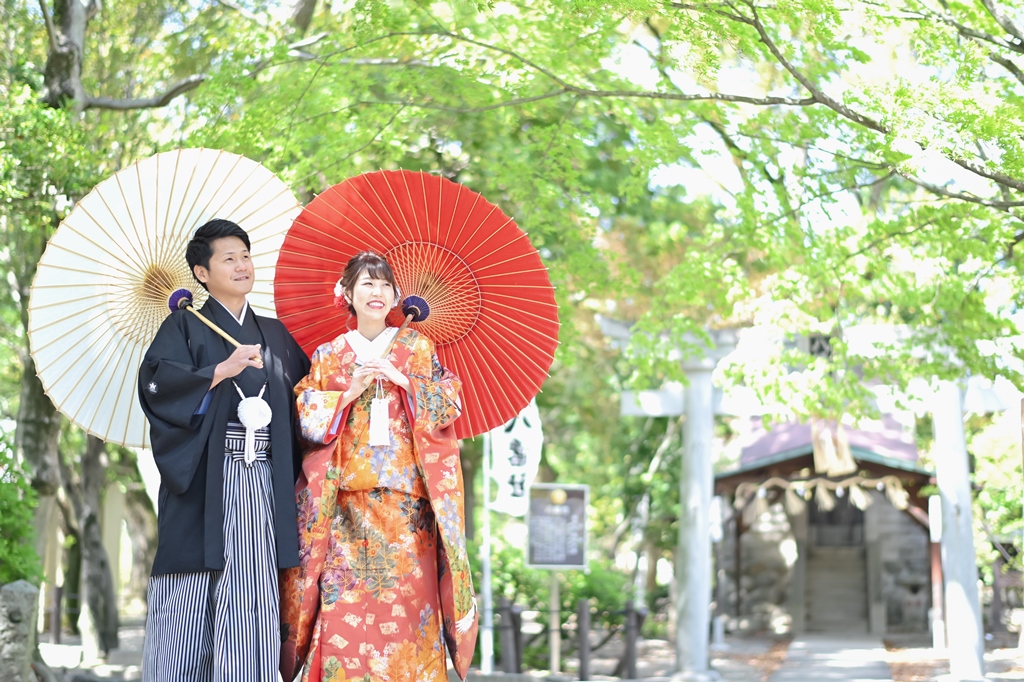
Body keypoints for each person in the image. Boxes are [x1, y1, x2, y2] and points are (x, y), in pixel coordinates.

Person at [280, 251, 478, 682]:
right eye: (367, 283)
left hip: (407, 513)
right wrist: (349, 391)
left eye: (386, 284)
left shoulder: (416, 347)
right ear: (346, 293)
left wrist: (404, 379)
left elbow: (450, 404)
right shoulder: (330, 355)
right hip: (346, 507)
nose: (378, 292)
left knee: (409, 610)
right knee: (342, 610)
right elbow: (304, 413)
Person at [137, 218, 311, 681]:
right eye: (228, 258)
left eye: (246, 256)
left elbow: (310, 405)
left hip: (263, 485)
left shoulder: (276, 335)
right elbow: (157, 388)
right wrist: (218, 371)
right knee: (187, 600)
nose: (241, 266)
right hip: (206, 477)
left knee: (251, 601)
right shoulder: (183, 326)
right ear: (201, 273)